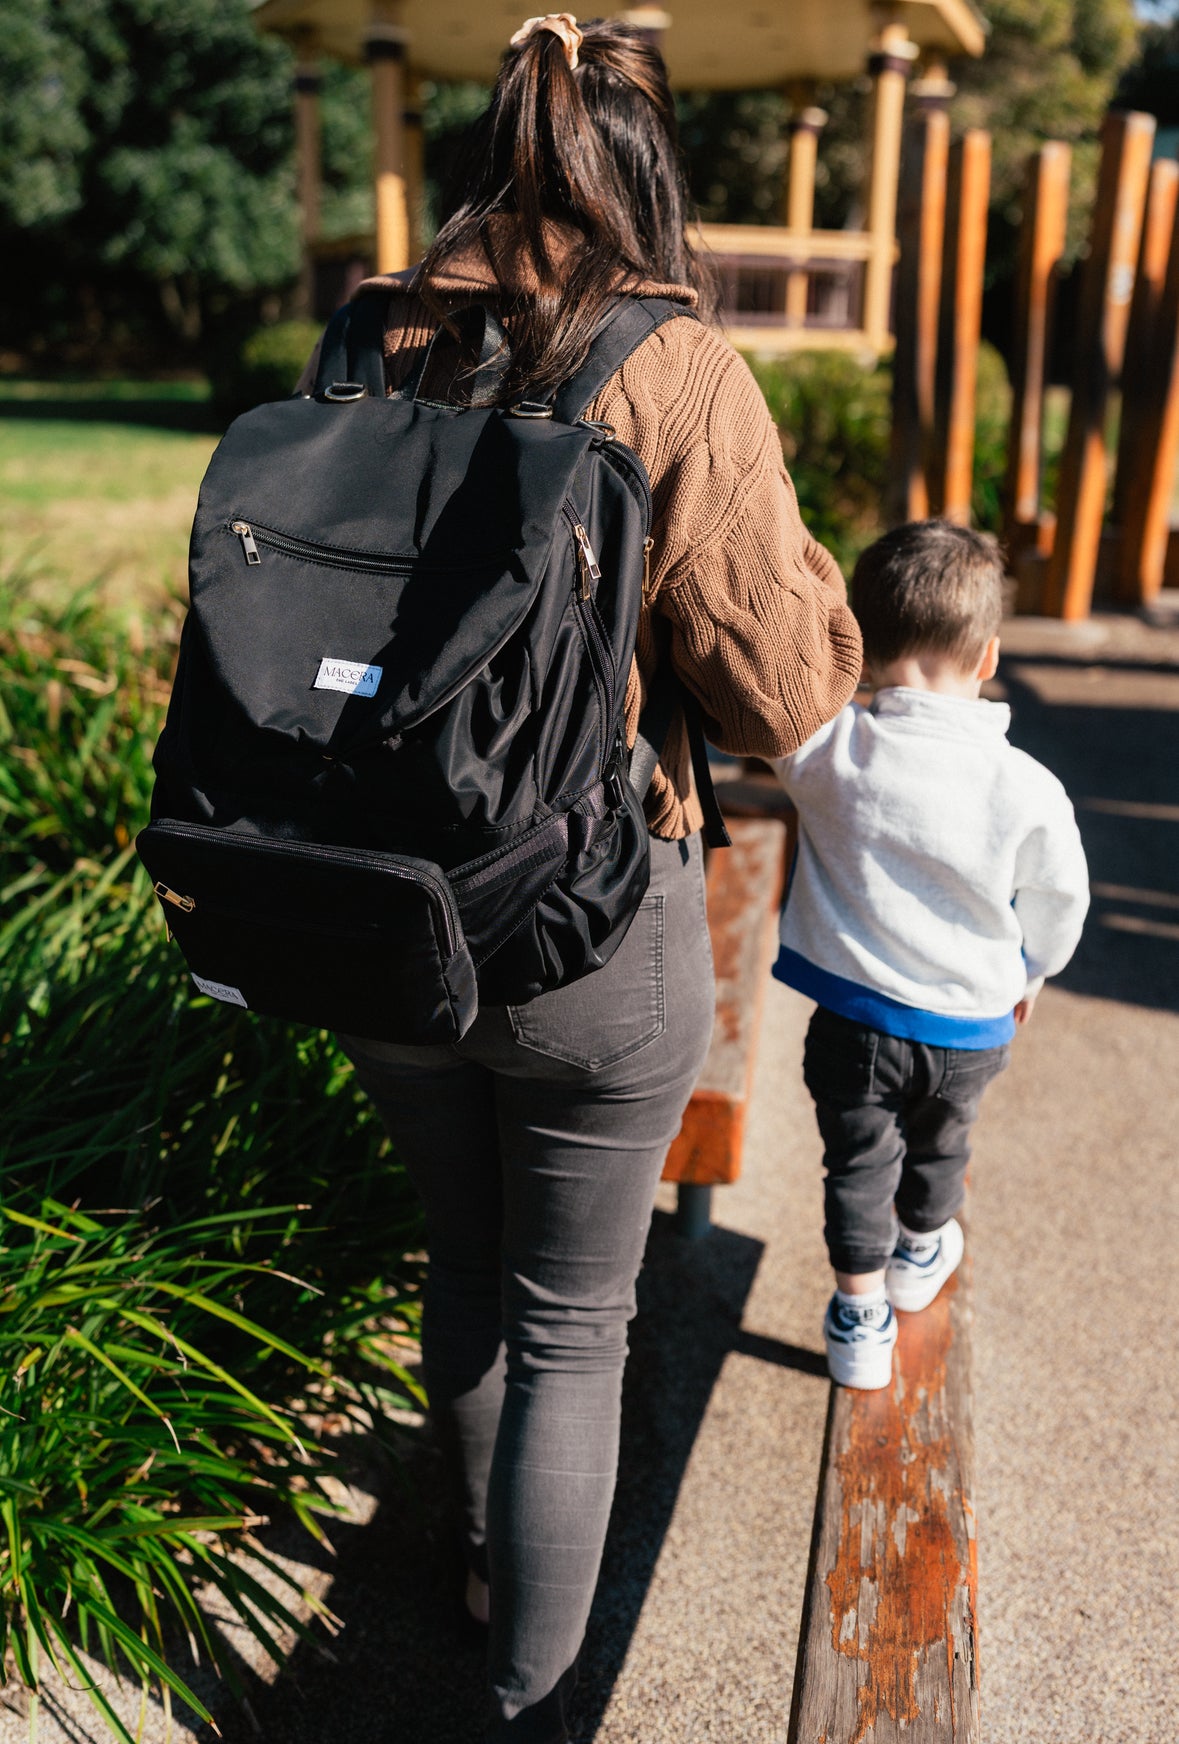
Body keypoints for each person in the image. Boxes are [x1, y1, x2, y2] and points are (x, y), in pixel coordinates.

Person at [333, 14, 862, 1741]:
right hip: (575, 921)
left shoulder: (378, 322)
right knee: (576, 1320)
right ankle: (523, 1696)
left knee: (463, 1259)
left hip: (377, 906)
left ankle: (479, 1568)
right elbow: (781, 697)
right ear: (644, 164)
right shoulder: (672, 361)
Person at [771, 519, 1090, 1391]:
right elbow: (1060, 903)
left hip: (851, 1019)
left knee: (857, 1161)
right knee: (943, 1146)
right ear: (988, 658)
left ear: (863, 646)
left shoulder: (827, 750)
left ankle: (859, 1310)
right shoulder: (1025, 785)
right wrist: (1031, 972)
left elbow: (771, 713)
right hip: (971, 1027)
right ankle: (921, 1250)